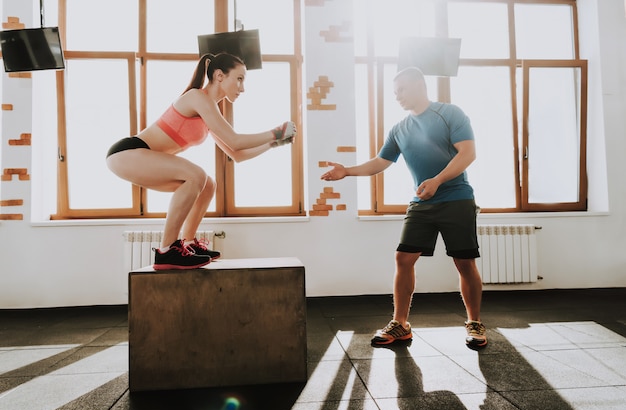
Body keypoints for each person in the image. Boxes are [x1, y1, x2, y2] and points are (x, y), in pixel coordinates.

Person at [321, 67, 487, 348]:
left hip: (457, 198)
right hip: (423, 202)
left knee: (464, 263)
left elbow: (468, 152)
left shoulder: (450, 113)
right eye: (395, 92)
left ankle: (474, 323)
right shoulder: (399, 129)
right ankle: (401, 324)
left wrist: (438, 179)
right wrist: (346, 171)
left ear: (420, 85)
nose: (397, 96)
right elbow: (380, 162)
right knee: (403, 258)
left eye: (402, 90)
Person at [107, 52, 296, 270]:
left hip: (136, 158)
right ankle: (167, 251)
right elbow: (235, 140)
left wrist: (272, 144)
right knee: (195, 175)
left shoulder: (209, 110)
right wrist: (276, 132)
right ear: (219, 76)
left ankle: (187, 244)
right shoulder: (197, 97)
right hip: (127, 152)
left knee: (208, 184)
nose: (242, 88)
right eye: (240, 78)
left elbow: (237, 154)